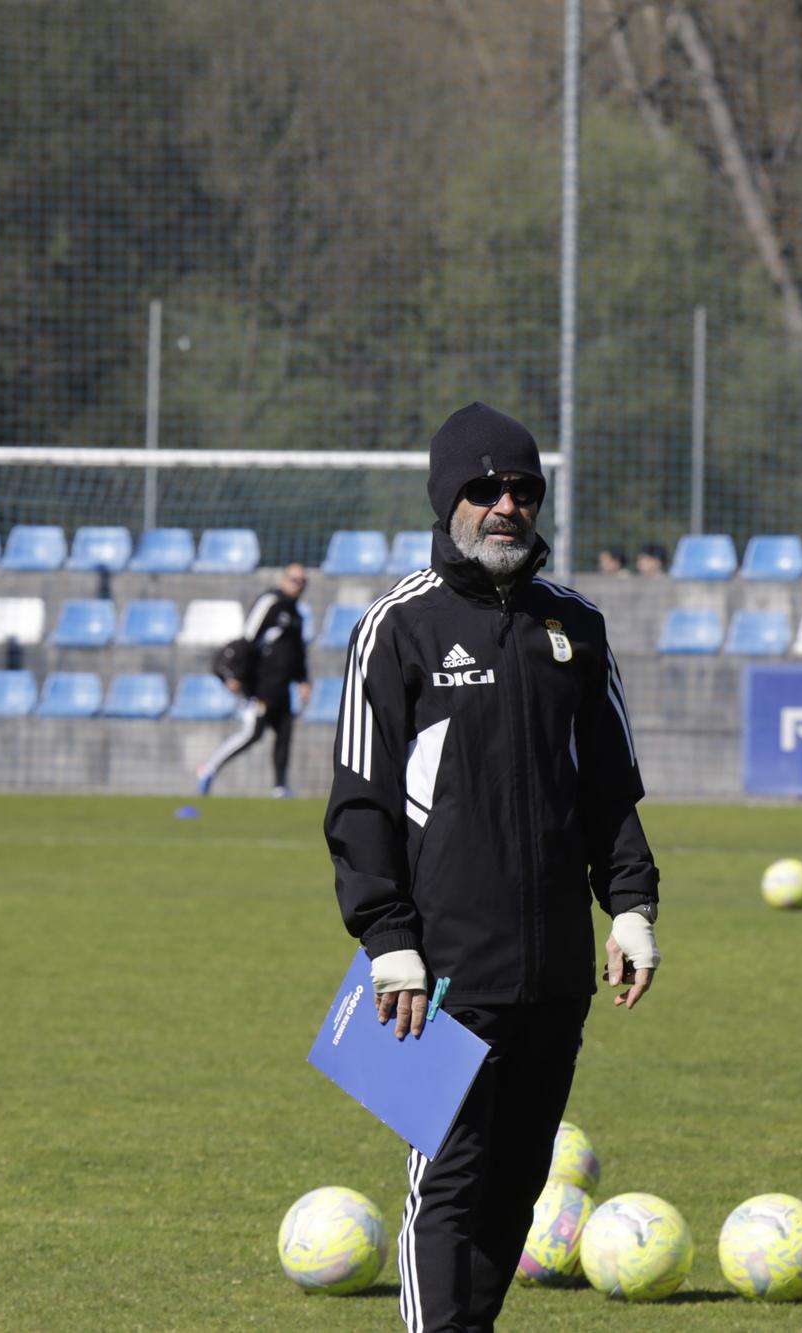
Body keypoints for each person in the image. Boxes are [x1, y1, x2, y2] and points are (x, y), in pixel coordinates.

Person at [324, 401, 660, 1332]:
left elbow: (609, 795)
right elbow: (361, 804)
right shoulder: (396, 629)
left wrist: (630, 906)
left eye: (523, 488)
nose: (506, 504)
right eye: (484, 488)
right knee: (452, 1183)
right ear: (448, 500)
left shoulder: (577, 628)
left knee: (515, 1183)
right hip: (440, 975)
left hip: (556, 978)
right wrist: (388, 938)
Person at [195, 562, 312, 797]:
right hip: (261, 686)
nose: (297, 585)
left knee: (284, 735)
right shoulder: (270, 602)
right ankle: (209, 768)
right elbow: (247, 640)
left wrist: (303, 680)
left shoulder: (297, 615)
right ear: (283, 579)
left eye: (302, 582)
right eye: (293, 579)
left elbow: (297, 652)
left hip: (283, 687)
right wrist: (237, 675)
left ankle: (280, 787)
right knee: (251, 733)